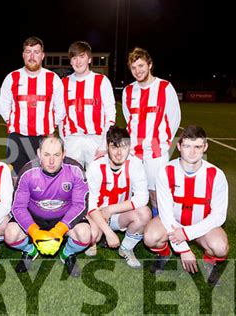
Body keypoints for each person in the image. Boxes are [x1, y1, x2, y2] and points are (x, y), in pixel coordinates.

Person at [143, 125, 229, 286]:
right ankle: (164, 253)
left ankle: (209, 263)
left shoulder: (216, 175)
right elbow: (166, 214)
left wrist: (187, 232)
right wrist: (183, 249)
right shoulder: (166, 171)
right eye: (187, 146)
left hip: (203, 224)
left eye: (197, 146)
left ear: (205, 147)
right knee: (150, 237)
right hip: (173, 223)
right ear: (179, 146)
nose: (192, 152)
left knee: (220, 247)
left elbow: (219, 216)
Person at [4, 135, 91, 277]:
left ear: (64, 154)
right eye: (46, 155)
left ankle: (67, 253)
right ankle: (30, 249)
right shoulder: (28, 171)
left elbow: (80, 205)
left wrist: (58, 230)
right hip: (35, 216)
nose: (51, 161)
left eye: (56, 155)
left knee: (85, 234)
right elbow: (18, 207)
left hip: (64, 216)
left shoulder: (75, 170)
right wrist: (34, 232)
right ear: (38, 153)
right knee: (10, 234)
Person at [122, 47, 181, 217]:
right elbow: (129, 119)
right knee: (135, 193)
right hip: (134, 152)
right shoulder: (128, 91)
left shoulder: (164, 87)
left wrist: (163, 144)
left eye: (141, 66)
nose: (137, 71)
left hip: (156, 152)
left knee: (156, 194)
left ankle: (157, 227)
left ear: (150, 65)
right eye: (133, 68)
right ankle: (137, 226)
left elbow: (174, 118)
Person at [85, 126, 151, 268]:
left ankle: (126, 247)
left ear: (130, 146)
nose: (120, 153)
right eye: (114, 147)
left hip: (119, 214)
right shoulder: (96, 166)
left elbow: (143, 197)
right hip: (98, 214)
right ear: (107, 147)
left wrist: (111, 209)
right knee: (90, 235)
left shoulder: (135, 163)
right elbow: (90, 205)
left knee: (144, 213)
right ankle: (99, 236)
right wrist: (108, 232)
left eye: (124, 146)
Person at [0, 36, 65, 177]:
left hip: (43, 139)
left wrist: (49, 127)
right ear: (23, 55)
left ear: (42, 55)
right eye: (28, 52)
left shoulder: (53, 79)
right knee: (17, 178)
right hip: (17, 138)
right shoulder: (12, 78)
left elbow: (61, 109)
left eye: (36, 52)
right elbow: (4, 107)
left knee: (43, 178)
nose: (32, 56)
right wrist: (14, 125)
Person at [60, 41, 116, 169]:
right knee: (73, 183)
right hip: (72, 141)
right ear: (70, 62)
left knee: (96, 183)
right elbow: (60, 115)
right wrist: (65, 142)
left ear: (89, 59)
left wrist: (104, 144)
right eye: (74, 58)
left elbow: (110, 114)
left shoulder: (101, 81)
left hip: (96, 140)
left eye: (82, 56)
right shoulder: (63, 83)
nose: (78, 61)